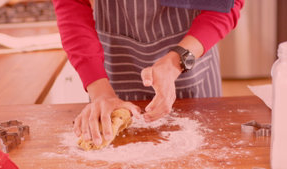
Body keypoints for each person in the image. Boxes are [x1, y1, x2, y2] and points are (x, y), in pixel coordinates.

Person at [53, 0, 244, 147]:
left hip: (193, 55)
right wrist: (100, 91)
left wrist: (177, 60)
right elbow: (72, 6)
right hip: (112, 69)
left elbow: (226, 3)